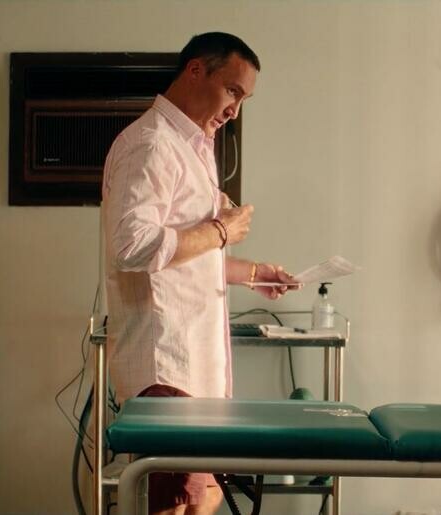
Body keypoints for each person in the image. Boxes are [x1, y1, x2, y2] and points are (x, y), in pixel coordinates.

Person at [101, 32, 297, 515]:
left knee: (204, 497)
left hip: (194, 370)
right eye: (232, 91)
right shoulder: (151, 145)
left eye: (244, 99)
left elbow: (182, 257)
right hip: (167, 366)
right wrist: (221, 231)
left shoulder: (194, 147)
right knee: (175, 505)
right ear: (195, 71)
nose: (235, 110)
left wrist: (253, 272)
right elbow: (132, 247)